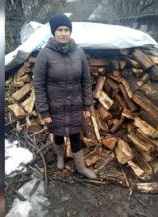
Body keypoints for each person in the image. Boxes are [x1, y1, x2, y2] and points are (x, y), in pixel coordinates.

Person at [33, 14, 96, 179]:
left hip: (76, 104)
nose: (63, 33)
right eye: (59, 30)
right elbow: (39, 85)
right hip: (55, 106)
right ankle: (60, 157)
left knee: (75, 135)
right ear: (54, 32)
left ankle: (81, 167)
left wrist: (87, 105)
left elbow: (86, 80)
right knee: (58, 133)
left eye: (66, 29)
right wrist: (44, 111)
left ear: (70, 32)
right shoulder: (44, 55)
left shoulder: (79, 53)